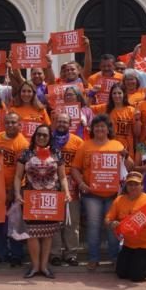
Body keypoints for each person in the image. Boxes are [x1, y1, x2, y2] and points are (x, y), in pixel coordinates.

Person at [69, 114, 127, 271]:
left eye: (103, 126)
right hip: (91, 194)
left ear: (108, 129)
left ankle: (115, 258)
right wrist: (81, 183)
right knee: (94, 227)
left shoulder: (117, 145)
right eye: (97, 126)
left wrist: (125, 156)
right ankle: (93, 258)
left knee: (112, 227)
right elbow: (75, 168)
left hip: (112, 195)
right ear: (92, 129)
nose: (100, 129)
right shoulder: (85, 146)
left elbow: (129, 166)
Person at [14, 124, 70, 279]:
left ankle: (44, 267)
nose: (41, 138)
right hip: (31, 199)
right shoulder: (26, 153)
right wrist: (17, 193)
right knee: (32, 234)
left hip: (51, 199)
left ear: (49, 137)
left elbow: (63, 176)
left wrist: (66, 193)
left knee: (47, 234)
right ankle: (35, 266)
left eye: (45, 135)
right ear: (34, 136)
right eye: (39, 134)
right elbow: (18, 176)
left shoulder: (56, 154)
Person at [106, 171, 146, 282]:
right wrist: (112, 224)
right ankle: (141, 264)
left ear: (142, 186)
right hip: (128, 244)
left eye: (136, 184)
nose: (133, 187)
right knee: (121, 273)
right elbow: (107, 219)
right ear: (126, 186)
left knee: (136, 276)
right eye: (130, 184)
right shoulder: (119, 200)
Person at [0, 111, 31, 267]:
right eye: (8, 122)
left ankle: (17, 255)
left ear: (20, 125)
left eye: (14, 122)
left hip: (15, 190)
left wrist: (12, 191)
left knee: (15, 223)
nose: (11, 125)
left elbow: (21, 171)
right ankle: (0, 254)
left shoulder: (23, 143)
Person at [48, 111, 83, 267]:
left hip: (71, 186)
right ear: (54, 123)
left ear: (70, 125)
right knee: (53, 222)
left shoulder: (78, 142)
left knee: (72, 221)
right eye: (59, 121)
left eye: (65, 122)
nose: (61, 124)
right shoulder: (47, 140)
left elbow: (82, 165)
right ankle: (55, 253)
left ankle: (71, 254)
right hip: (50, 185)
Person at [100, 82, 138, 152]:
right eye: (114, 93)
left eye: (119, 93)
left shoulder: (131, 110)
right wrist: (91, 93)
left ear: (124, 94)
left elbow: (136, 133)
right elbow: (86, 108)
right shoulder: (104, 108)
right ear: (111, 95)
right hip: (109, 148)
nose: (117, 95)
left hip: (127, 149)